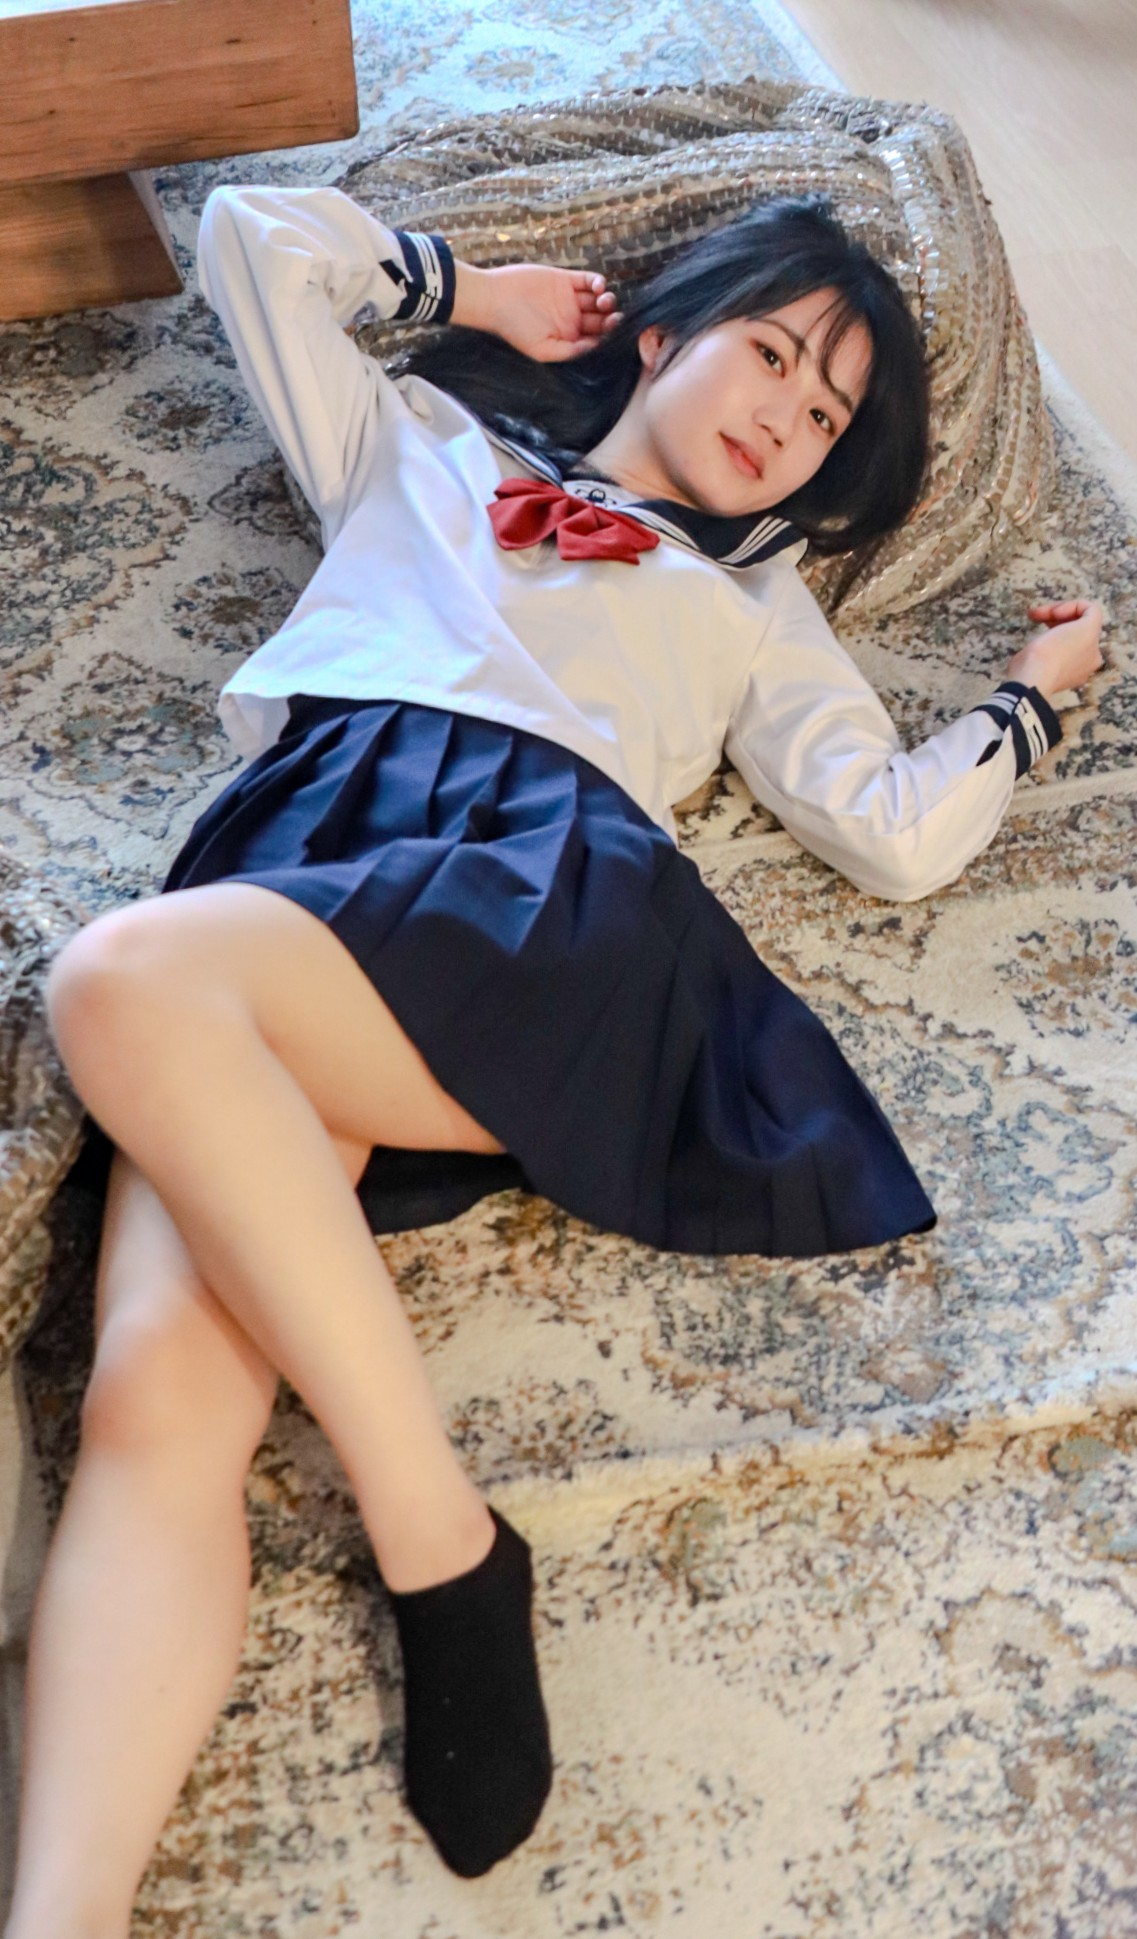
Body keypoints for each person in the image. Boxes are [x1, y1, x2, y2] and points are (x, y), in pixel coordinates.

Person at [3, 180, 1105, 1931]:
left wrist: (1034, 698)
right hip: (303, 866)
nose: (789, 417)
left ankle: (435, 1528)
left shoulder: (758, 600)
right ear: (660, 336)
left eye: (828, 415)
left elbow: (889, 828)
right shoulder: (413, 440)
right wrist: (477, 291)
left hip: (539, 900)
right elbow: (246, 245)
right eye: (772, 353)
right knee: (151, 1392)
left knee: (120, 978)